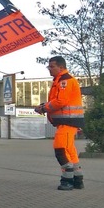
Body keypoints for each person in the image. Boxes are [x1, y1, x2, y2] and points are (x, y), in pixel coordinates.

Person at [35, 56, 85, 190]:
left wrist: (44, 108)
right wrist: (44, 106)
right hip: (68, 121)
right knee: (69, 150)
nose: (49, 69)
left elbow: (61, 101)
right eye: (49, 67)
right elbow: (58, 100)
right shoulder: (61, 80)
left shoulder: (65, 81)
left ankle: (67, 180)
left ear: (61, 67)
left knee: (60, 149)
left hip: (67, 121)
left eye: (52, 67)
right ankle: (77, 179)